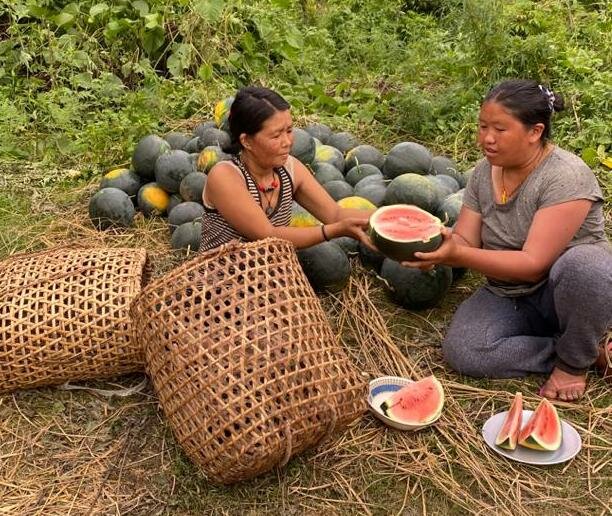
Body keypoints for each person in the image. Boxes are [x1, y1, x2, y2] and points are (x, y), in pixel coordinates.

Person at [401, 79, 611, 401]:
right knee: (465, 351)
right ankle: (581, 349)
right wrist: (439, 245)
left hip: (565, 294)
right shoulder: (484, 172)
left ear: (535, 132)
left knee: (589, 266)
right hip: (508, 292)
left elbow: (531, 265)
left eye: (499, 129)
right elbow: (466, 240)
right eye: (482, 126)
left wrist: (457, 255)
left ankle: (572, 363)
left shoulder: (566, 176)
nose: (486, 138)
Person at [199, 86, 373, 253]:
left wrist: (393, 217)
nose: (287, 142)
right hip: (222, 277)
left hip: (275, 275)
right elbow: (267, 235)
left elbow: (335, 214)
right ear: (246, 141)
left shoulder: (290, 168)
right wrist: (331, 231)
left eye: (289, 130)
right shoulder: (225, 176)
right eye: (276, 135)